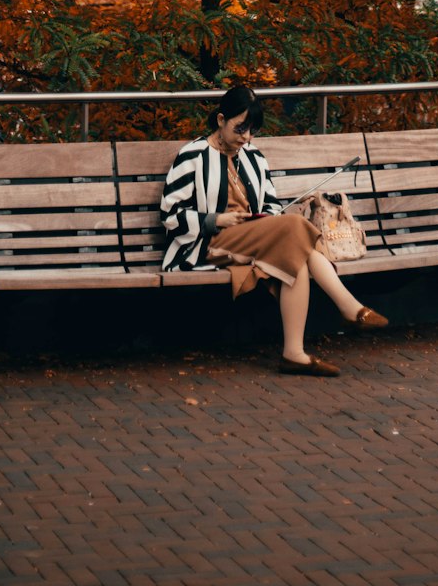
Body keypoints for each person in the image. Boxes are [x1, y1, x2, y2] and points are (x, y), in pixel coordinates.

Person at [160, 83, 388, 377]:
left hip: (255, 239)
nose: (247, 137)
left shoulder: (254, 157)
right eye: (240, 128)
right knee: (296, 226)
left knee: (296, 257)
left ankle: (294, 354)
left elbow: (270, 205)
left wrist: (265, 219)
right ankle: (347, 306)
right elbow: (170, 215)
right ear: (220, 120)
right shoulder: (192, 156)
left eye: (252, 130)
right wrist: (216, 219)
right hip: (210, 245)